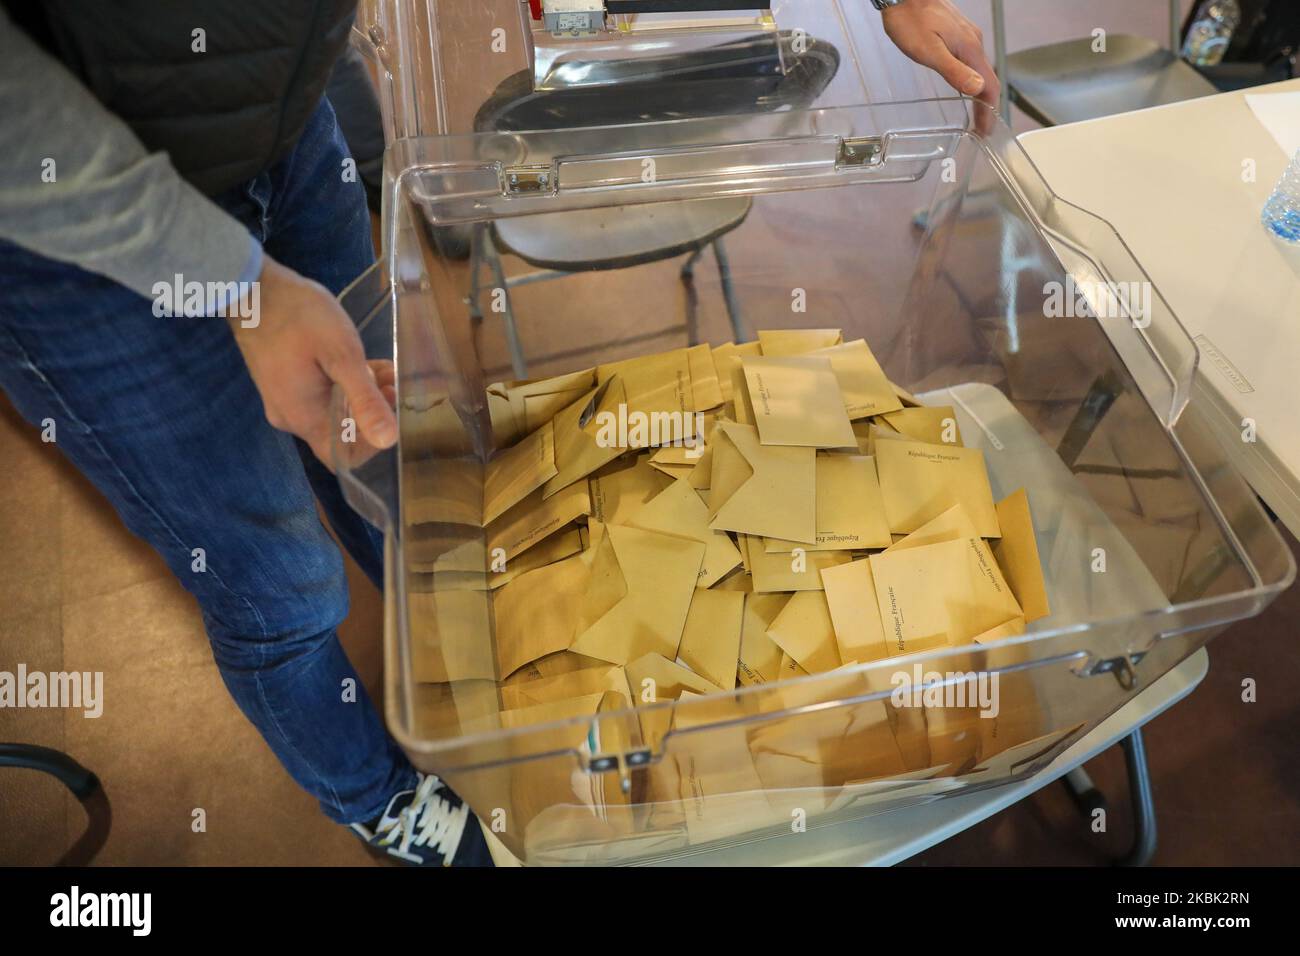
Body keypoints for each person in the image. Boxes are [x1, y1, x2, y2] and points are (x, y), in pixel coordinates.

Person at [0, 0, 997, 867]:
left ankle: (472, 643)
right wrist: (236, 285)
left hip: (283, 125)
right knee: (276, 583)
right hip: (66, 229)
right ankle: (378, 792)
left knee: (397, 441)